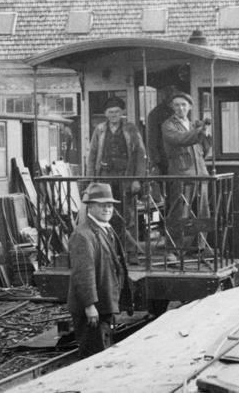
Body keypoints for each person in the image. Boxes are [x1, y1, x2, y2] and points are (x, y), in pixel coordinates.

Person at [67, 183, 133, 358]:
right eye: (102, 205)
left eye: (110, 205)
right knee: (93, 355)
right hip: (92, 310)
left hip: (103, 305)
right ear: (90, 207)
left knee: (102, 352)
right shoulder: (83, 235)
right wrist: (89, 306)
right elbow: (83, 274)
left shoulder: (106, 229)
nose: (107, 209)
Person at [87, 96, 147, 260]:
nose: (114, 114)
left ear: (122, 113)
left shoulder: (131, 129)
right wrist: (92, 179)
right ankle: (108, 250)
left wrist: (137, 179)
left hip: (125, 178)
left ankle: (131, 252)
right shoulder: (99, 130)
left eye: (117, 112)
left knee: (128, 214)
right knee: (104, 211)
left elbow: (141, 155)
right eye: (110, 112)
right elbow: (92, 155)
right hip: (105, 178)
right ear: (106, 114)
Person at [161, 92, 212, 248]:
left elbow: (206, 149)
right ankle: (173, 248)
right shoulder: (168, 125)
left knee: (202, 211)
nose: (180, 108)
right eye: (176, 105)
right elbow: (180, 140)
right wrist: (199, 131)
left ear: (190, 107)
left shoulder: (192, 125)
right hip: (181, 173)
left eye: (183, 104)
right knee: (179, 212)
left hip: (200, 173)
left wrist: (207, 135)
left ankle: (199, 247)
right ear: (172, 107)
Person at [146, 85, 177, 175]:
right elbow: (152, 138)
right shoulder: (156, 114)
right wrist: (155, 161)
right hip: (164, 160)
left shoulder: (178, 112)